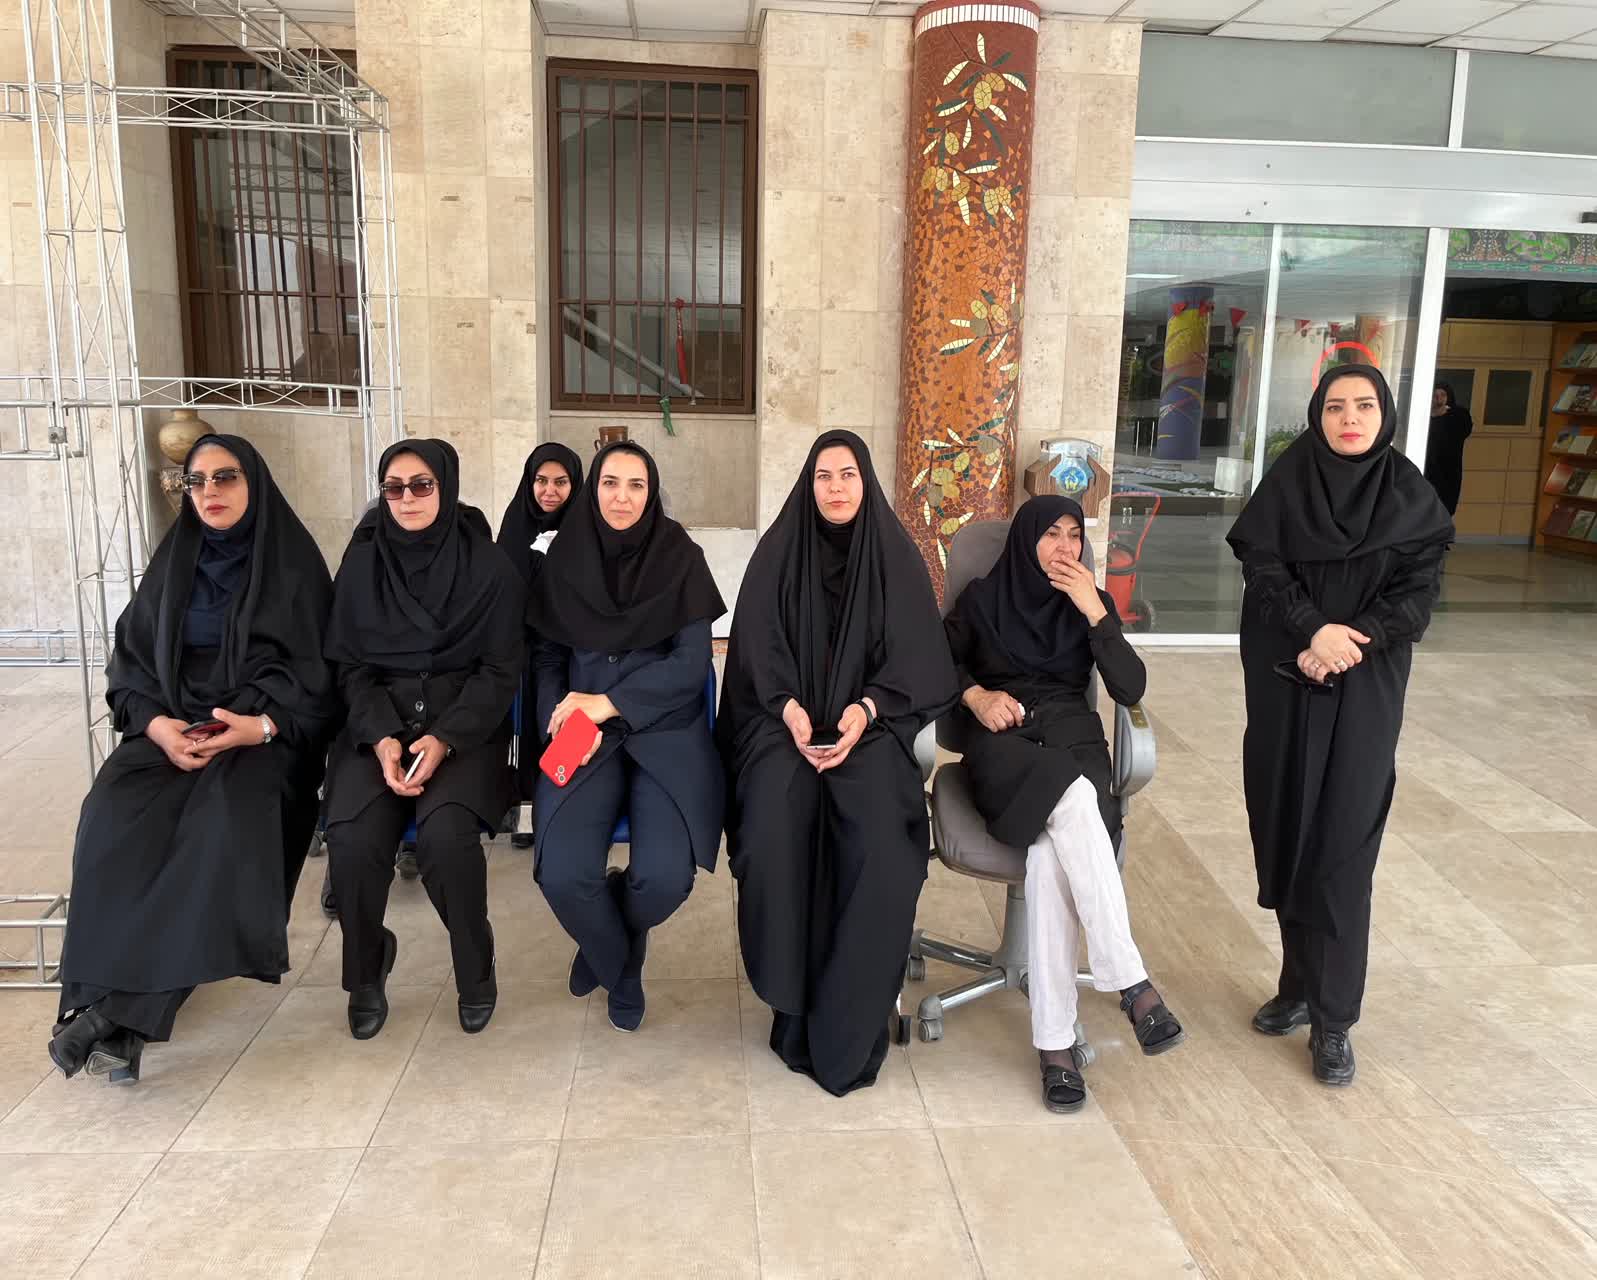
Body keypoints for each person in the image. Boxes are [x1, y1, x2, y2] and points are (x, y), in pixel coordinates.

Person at [49, 435, 339, 1084]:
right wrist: (159, 729)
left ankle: (112, 1017)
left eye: (225, 477)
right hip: (173, 731)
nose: (209, 492)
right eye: (197, 481)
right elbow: (130, 666)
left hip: (261, 741)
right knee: (111, 818)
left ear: (254, 484)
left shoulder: (293, 569)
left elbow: (323, 683)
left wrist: (256, 727)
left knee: (219, 829)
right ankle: (104, 1010)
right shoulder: (174, 562)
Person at [1228, 364, 1452, 1087]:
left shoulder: (1411, 500)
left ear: (1384, 416)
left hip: (1363, 691)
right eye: (1333, 406)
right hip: (1286, 684)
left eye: (1363, 406)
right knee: (1284, 829)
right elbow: (1264, 572)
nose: (1348, 418)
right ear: (1315, 416)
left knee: (1342, 848)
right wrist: (1310, 631)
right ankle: (1296, 984)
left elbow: (1415, 600)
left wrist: (1347, 641)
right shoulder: (1287, 486)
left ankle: (1333, 1020)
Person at [719, 430, 958, 1096]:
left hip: (871, 730)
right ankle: (792, 1003)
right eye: (823, 475)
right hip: (782, 727)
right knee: (773, 824)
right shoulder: (777, 553)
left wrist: (867, 710)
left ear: (865, 480)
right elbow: (755, 652)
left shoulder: (895, 556)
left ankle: (855, 1009)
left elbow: (917, 658)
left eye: (847, 474)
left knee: (879, 841)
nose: (834, 487)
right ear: (808, 482)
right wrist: (791, 711)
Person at [943, 496, 1184, 1113]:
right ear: (1027, 540)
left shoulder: (1089, 603)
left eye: (1074, 535)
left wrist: (1095, 612)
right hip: (1003, 742)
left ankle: (1055, 1048)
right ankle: (1130, 983)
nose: (1065, 547)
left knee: (1053, 856)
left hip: (1073, 738)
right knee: (1075, 797)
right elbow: (935, 665)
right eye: (1051, 534)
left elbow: (1130, 687)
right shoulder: (981, 600)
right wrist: (976, 698)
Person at [323, 439, 524, 1040]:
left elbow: (500, 669)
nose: (407, 498)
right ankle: (366, 969)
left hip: (464, 725)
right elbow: (348, 665)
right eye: (393, 487)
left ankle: (475, 965)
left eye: (421, 485)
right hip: (376, 724)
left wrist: (445, 738)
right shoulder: (362, 566)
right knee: (353, 841)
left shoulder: (489, 568)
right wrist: (382, 736)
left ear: (447, 486)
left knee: (445, 839)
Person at [531, 441, 725, 1033]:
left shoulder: (680, 556)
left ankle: (609, 936)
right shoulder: (564, 556)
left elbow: (691, 664)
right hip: (581, 731)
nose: (622, 497)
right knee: (561, 873)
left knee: (665, 879)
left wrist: (609, 703)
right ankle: (621, 961)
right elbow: (546, 658)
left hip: (666, 729)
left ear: (652, 491)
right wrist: (561, 720)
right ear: (593, 490)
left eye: (636, 485)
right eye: (610, 483)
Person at [497, 443, 585, 847]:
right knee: (527, 727)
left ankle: (566, 810)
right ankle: (530, 805)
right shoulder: (515, 523)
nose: (550, 491)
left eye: (561, 482)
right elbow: (500, 588)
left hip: (573, 646)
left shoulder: (587, 528)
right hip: (522, 645)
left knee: (560, 724)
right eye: (541, 481)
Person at [1422, 380, 1473, 517]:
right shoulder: (1423, 415)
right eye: (1435, 395)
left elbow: (1465, 430)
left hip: (1449, 469)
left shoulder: (1458, 415)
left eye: (1443, 395)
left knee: (1444, 507)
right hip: (1426, 467)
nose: (1439, 399)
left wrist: (1445, 414)